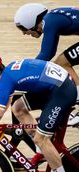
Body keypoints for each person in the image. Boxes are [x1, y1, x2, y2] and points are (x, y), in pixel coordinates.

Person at [0, 53, 76, 172]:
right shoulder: (8, 72)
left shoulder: (6, 80)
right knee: (18, 108)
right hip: (55, 86)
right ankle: (41, 152)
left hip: (61, 92)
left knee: (41, 138)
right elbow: (6, 104)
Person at [14, 3, 79, 138]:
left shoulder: (48, 22)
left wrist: (25, 71)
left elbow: (46, 55)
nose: (25, 33)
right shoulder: (51, 19)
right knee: (61, 62)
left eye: (23, 29)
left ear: (31, 22)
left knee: (62, 62)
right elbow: (49, 53)